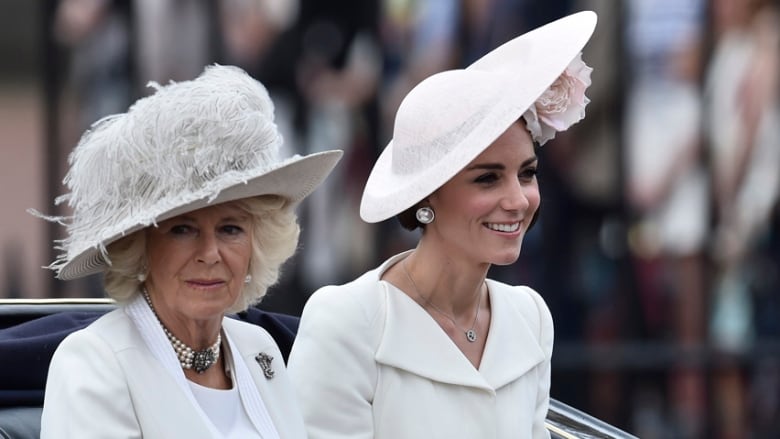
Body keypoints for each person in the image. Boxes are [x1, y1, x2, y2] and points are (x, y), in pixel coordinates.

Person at [287, 11, 597, 438]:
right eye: (487, 178)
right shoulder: (348, 322)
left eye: (526, 173)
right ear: (426, 195)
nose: (517, 199)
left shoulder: (530, 317)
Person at [33, 64, 342, 438]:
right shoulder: (93, 362)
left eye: (231, 229)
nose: (210, 253)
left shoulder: (259, 350)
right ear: (140, 248)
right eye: (183, 230)